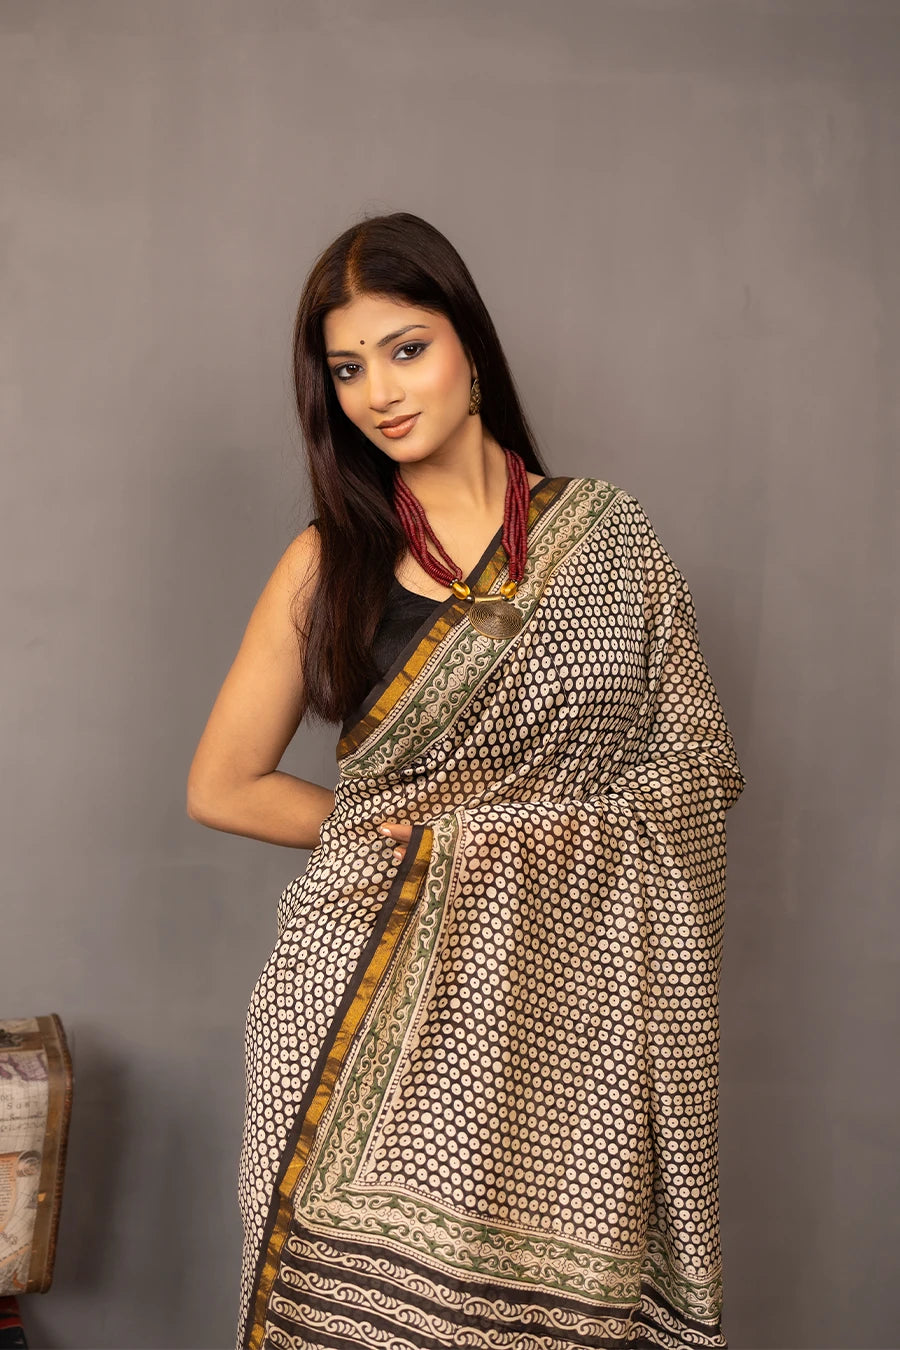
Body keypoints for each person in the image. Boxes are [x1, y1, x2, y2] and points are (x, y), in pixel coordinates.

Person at [187, 211, 745, 1350]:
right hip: (363, 1008)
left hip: (569, 1023)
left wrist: (498, 846)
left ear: (471, 349)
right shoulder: (328, 560)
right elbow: (225, 785)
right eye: (346, 369)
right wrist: (407, 843)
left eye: (406, 349)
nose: (378, 392)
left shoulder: (607, 540)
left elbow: (697, 767)